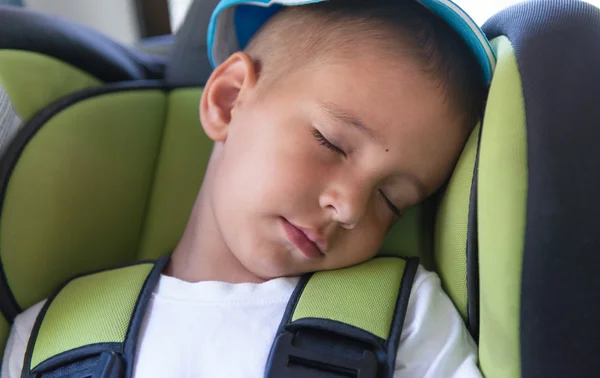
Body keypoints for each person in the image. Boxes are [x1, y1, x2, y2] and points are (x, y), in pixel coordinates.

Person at [2, 0, 493, 376]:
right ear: (229, 99)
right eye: (331, 143)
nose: (348, 208)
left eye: (392, 200)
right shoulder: (50, 340)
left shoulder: (404, 318)